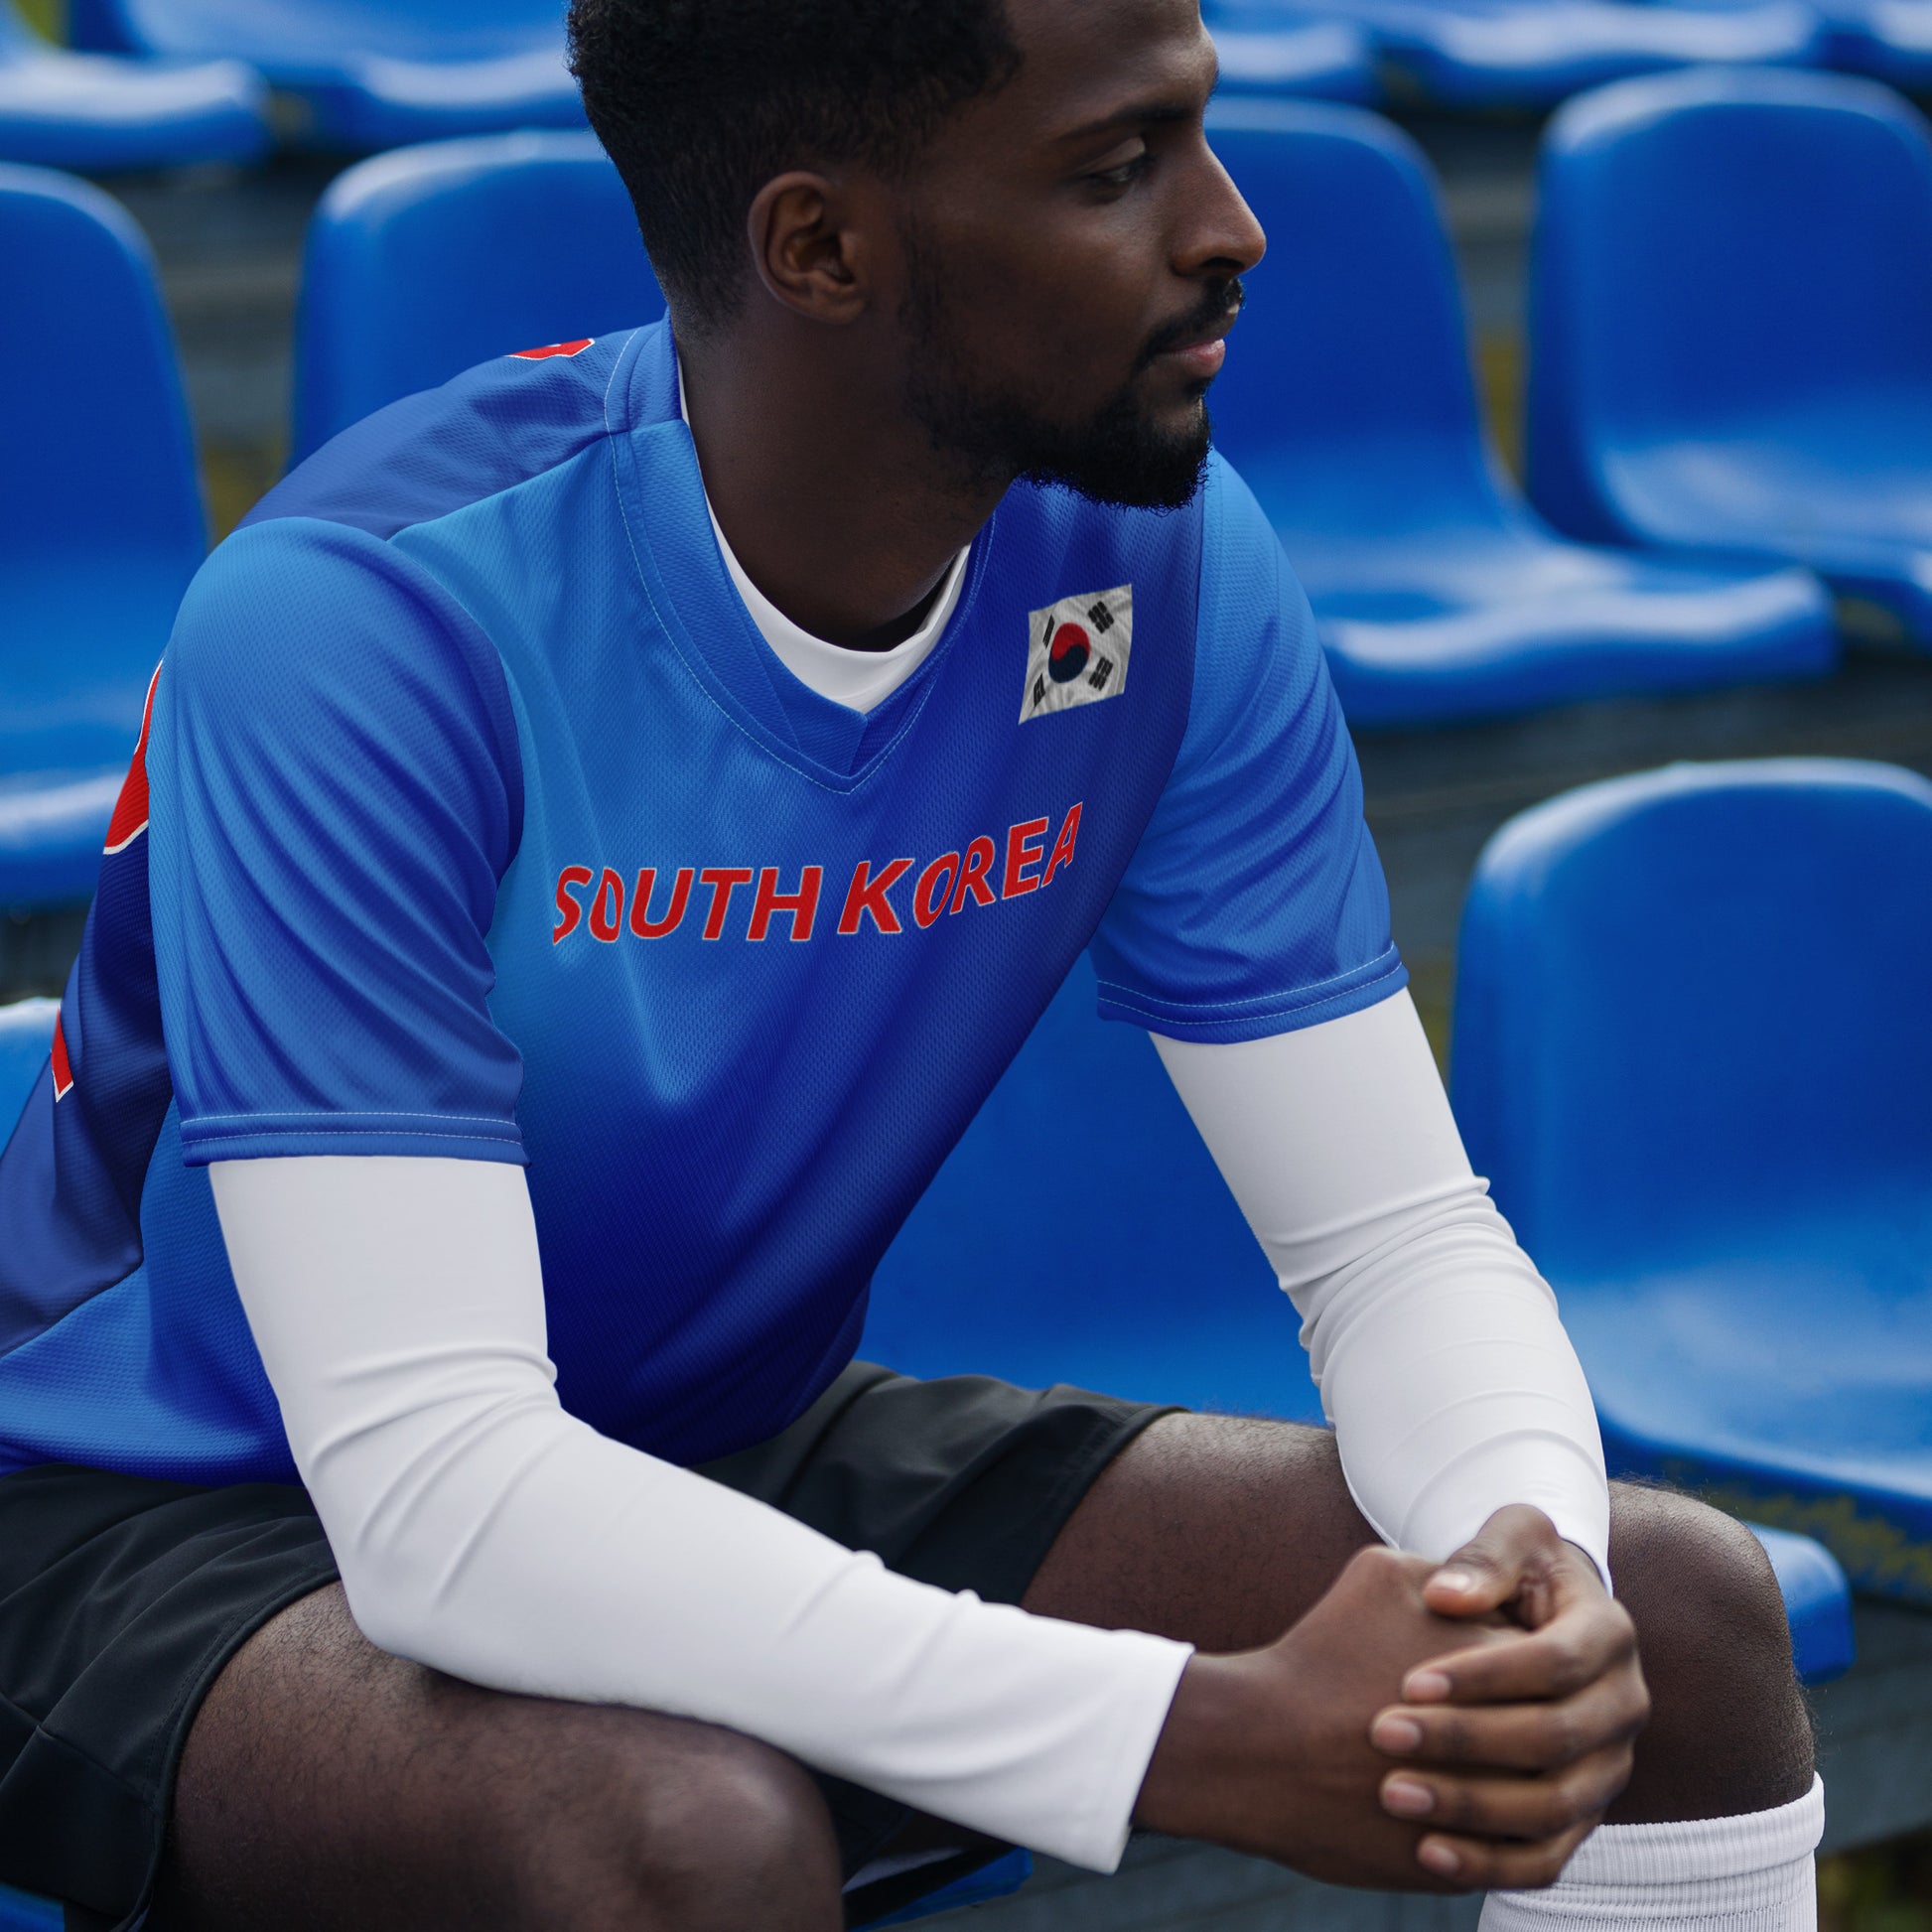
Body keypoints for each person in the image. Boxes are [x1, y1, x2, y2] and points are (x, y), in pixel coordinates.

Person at [0, 0, 1820, 1927]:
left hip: (699, 1429)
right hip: (148, 1500)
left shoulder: (1156, 557)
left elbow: (1395, 1241)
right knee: (682, 1846)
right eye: (1115, 168)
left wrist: (1524, 1567)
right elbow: (440, 1490)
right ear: (820, 247)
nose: (1230, 226)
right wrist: (1189, 1732)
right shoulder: (364, 625)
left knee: (1668, 1616)